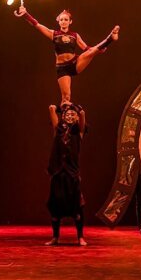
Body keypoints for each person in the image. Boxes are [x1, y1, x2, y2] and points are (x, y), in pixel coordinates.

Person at [14, 6, 119, 103]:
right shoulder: (54, 34)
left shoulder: (75, 35)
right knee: (66, 97)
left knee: (91, 52)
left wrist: (97, 50)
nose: (63, 21)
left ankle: (110, 37)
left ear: (70, 22)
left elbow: (86, 48)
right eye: (61, 20)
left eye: (66, 20)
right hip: (62, 68)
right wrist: (25, 14)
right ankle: (62, 116)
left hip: (75, 63)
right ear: (59, 22)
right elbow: (37, 25)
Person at [45, 102, 88, 246]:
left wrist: (75, 107)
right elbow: (51, 109)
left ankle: (80, 237)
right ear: (63, 117)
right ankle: (55, 237)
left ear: (76, 117)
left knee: (77, 207)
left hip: (72, 174)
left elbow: (82, 114)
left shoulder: (79, 131)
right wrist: (59, 107)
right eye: (67, 114)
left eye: (72, 114)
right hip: (58, 173)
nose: (70, 116)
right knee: (55, 207)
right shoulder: (58, 130)